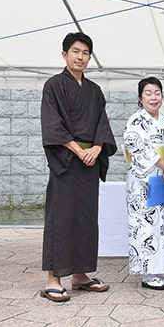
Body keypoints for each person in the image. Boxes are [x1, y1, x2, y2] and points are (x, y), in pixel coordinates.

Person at [40, 32, 117, 302]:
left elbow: (102, 126)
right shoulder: (53, 86)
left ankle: (80, 275)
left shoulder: (94, 91)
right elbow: (52, 126)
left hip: (89, 164)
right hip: (66, 162)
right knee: (61, 219)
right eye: (75, 51)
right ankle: (53, 277)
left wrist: (96, 149)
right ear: (64, 54)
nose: (80, 57)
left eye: (85, 53)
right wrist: (78, 149)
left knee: (86, 219)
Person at [123, 77, 164, 290]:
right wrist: (163, 164)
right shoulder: (135, 121)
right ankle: (147, 273)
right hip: (143, 181)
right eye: (148, 93)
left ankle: (161, 270)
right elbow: (135, 146)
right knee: (145, 226)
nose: (153, 97)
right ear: (140, 98)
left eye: (157, 92)